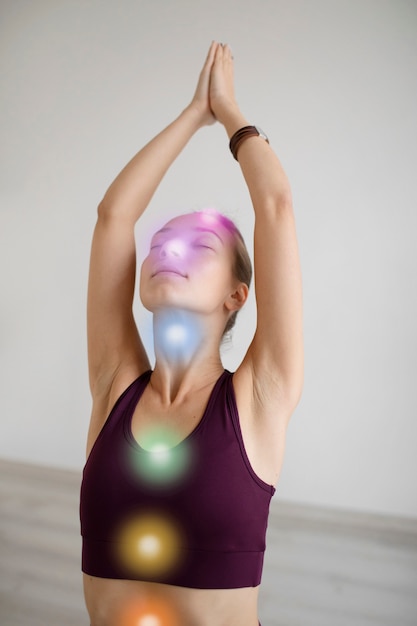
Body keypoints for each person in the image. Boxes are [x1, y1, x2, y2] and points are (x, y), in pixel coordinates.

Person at [80, 41, 303, 626]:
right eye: (160, 244)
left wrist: (226, 112)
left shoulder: (258, 397)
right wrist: (190, 115)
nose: (167, 250)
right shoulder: (114, 387)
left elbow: (274, 204)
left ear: (237, 296)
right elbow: (113, 218)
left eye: (198, 246)